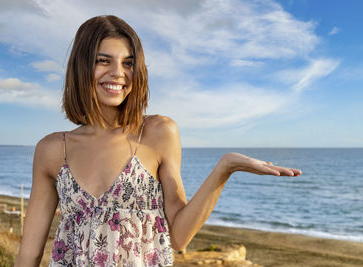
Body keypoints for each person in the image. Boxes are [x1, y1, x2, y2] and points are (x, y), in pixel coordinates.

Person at [15, 15, 301, 267]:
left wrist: (224, 169)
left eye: (128, 63)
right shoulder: (53, 150)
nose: (118, 73)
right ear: (80, 66)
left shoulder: (158, 133)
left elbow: (178, 236)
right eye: (103, 60)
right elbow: (28, 255)